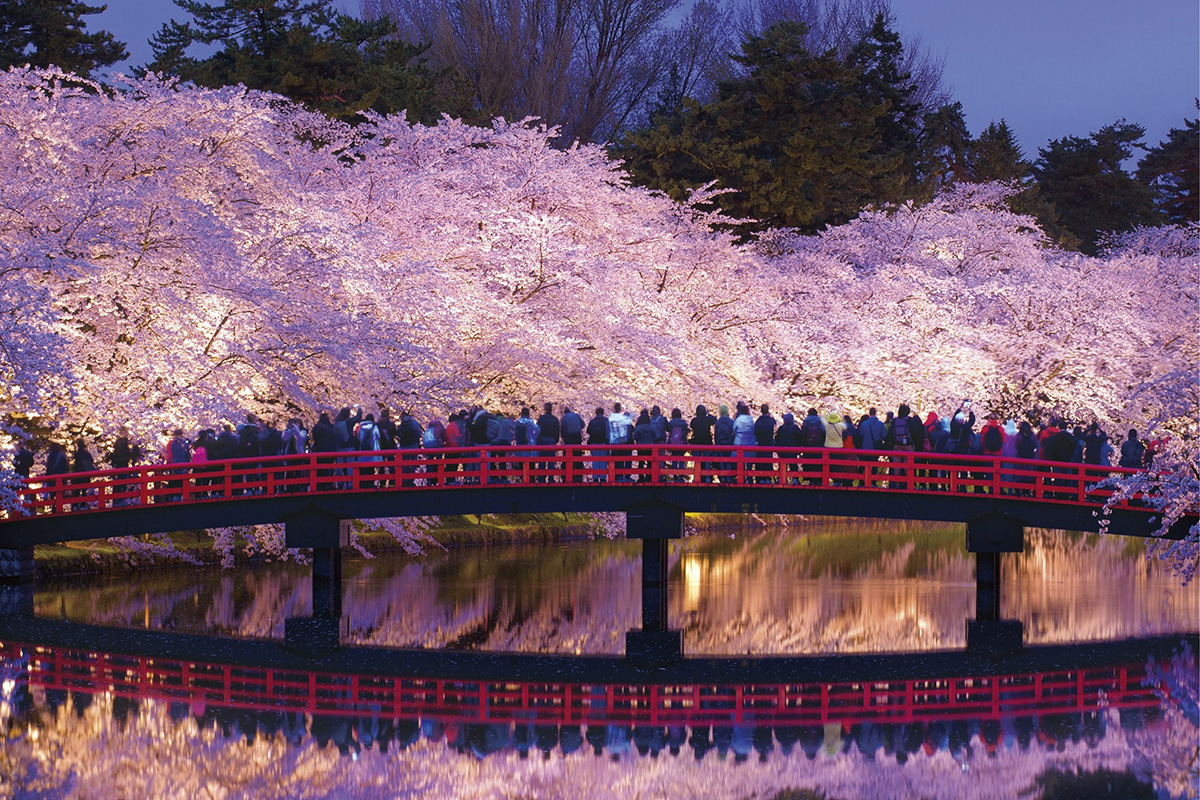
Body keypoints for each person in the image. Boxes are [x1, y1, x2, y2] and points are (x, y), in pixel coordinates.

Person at [690, 404, 717, 482]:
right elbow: (714, 420)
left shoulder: (694, 420)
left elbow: (692, 426)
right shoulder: (707, 419)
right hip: (706, 442)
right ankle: (707, 477)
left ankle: (696, 477)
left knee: (697, 460)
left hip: (697, 442)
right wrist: (708, 413)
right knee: (707, 460)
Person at [608, 403, 634, 482]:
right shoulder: (626, 422)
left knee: (618, 460)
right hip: (626, 443)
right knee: (627, 460)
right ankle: (627, 476)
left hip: (615, 442)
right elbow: (632, 430)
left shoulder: (611, 419)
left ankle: (617, 476)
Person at [774, 413, 802, 484]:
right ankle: (795, 479)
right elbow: (800, 438)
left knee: (782, 465)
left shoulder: (781, 428)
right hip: (793, 451)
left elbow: (777, 439)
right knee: (793, 465)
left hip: (782, 451)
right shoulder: (795, 428)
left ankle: (780, 478)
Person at [752, 404, 777, 484]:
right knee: (768, 460)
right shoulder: (771, 421)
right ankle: (768, 478)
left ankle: (760, 478)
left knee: (760, 461)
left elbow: (755, 432)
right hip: (769, 443)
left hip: (760, 444)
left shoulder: (758, 421)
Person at [560, 406, 585, 482]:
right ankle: (579, 475)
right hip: (577, 438)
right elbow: (583, 425)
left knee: (566, 458)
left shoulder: (563, 418)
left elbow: (562, 430)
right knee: (578, 457)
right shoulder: (576, 415)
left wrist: (564, 439)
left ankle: (565, 475)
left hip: (568, 440)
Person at [665, 408, 690, 482]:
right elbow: (686, 431)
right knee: (682, 460)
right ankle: (681, 476)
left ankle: (675, 476)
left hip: (673, 444)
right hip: (682, 443)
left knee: (674, 460)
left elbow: (667, 429)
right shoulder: (683, 423)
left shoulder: (671, 423)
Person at [586, 406, 609, 482]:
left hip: (594, 443)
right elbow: (608, 432)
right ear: (603, 413)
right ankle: (602, 477)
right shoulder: (606, 421)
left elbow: (588, 431)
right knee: (603, 460)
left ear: (596, 413)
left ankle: (595, 477)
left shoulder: (593, 421)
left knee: (595, 460)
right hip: (603, 443)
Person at [632, 409, 656, 480]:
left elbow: (635, 437)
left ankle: (641, 477)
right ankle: (649, 476)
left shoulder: (639, 427)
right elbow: (655, 436)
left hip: (641, 446)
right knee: (650, 462)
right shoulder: (651, 427)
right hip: (650, 446)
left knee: (641, 461)